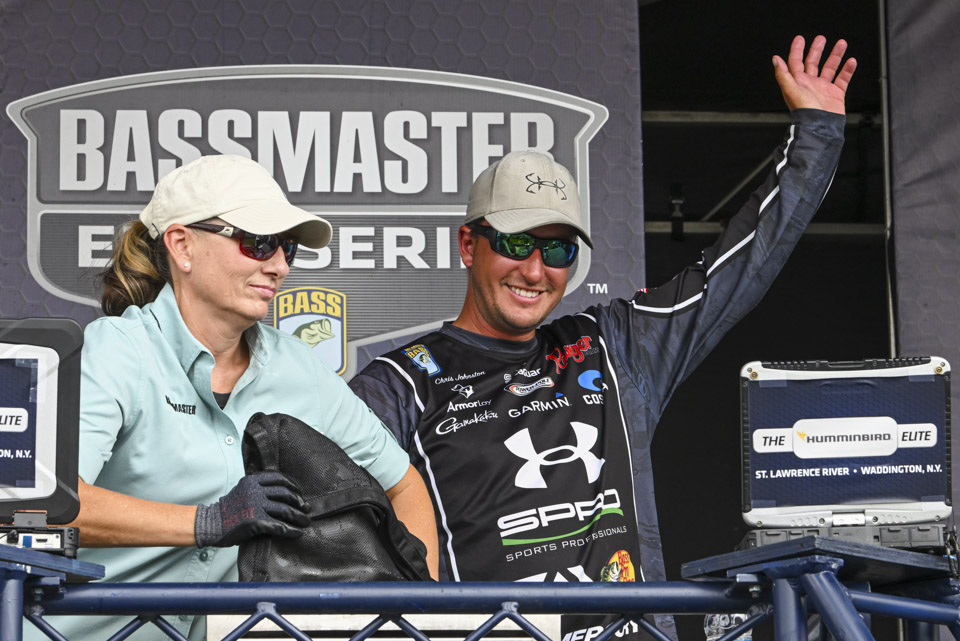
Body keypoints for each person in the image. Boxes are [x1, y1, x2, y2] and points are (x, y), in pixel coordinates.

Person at [349, 35, 856, 639]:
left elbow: (736, 270)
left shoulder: (612, 344)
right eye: (516, 243)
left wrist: (817, 135)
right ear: (468, 245)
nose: (534, 270)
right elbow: (329, 527)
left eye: (557, 250)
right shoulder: (399, 384)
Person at [39, 155, 438, 641]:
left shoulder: (299, 367)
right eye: (258, 242)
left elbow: (403, 486)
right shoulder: (117, 351)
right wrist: (209, 522)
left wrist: (419, 616)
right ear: (182, 246)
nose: (279, 266)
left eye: (287, 247)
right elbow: (43, 507)